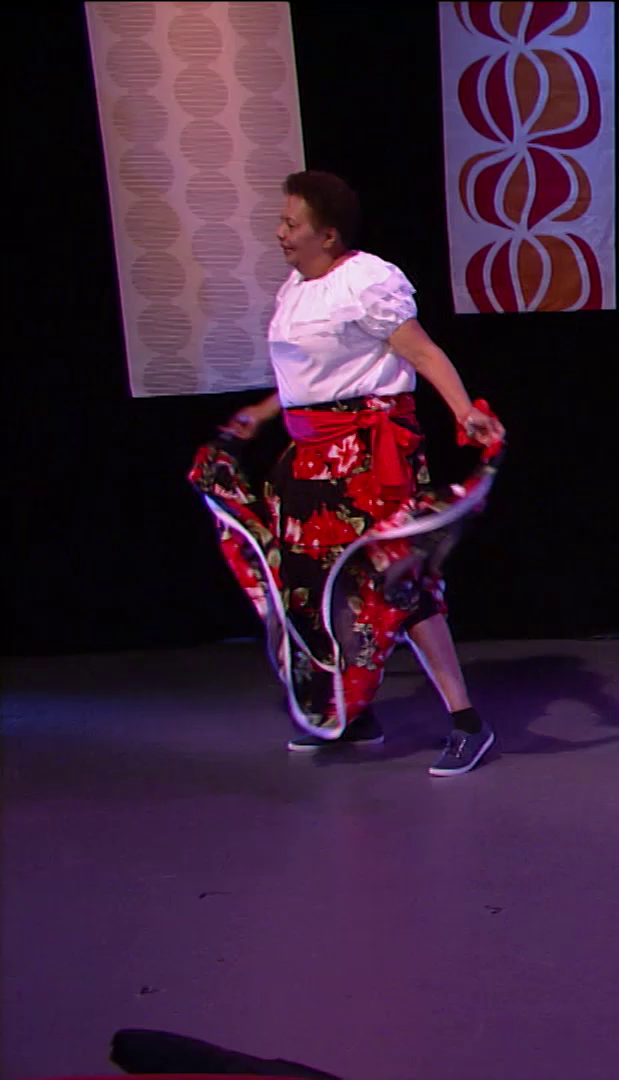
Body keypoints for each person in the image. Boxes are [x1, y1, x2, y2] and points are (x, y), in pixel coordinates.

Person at [188, 170, 506, 777]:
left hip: (368, 462)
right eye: (282, 221)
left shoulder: (365, 282)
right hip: (309, 464)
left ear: (328, 234)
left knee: (399, 585)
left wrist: (464, 410)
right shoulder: (297, 287)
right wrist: (262, 411)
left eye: (292, 223)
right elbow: (306, 379)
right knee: (318, 587)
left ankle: (467, 720)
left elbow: (422, 352)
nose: (280, 232)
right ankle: (350, 711)